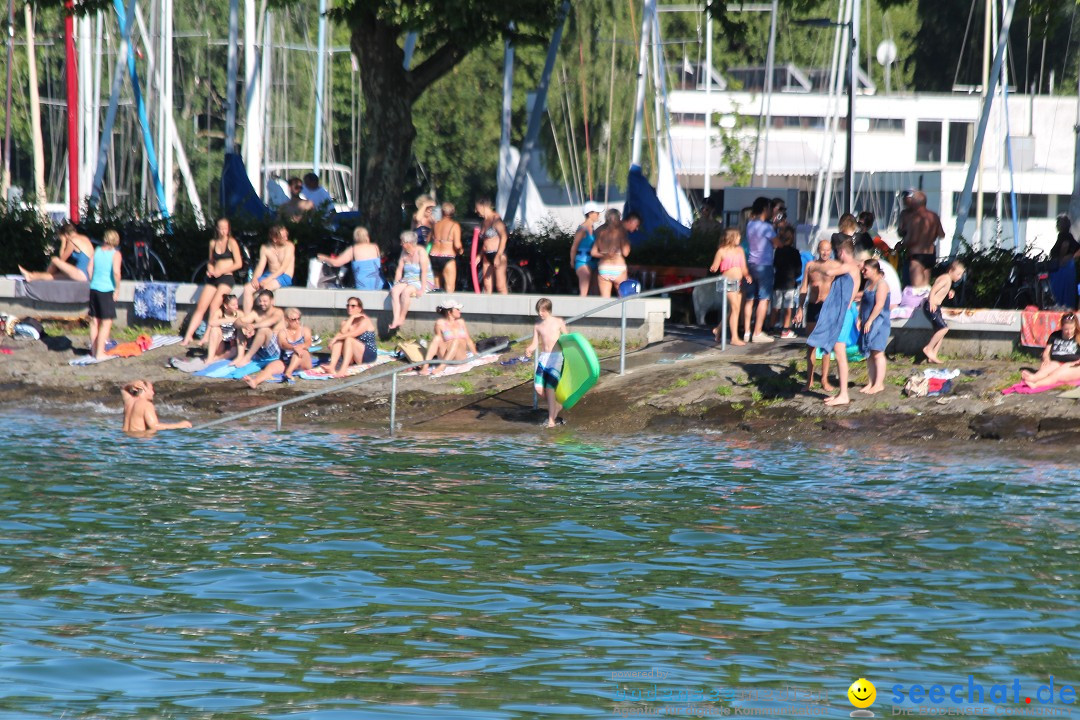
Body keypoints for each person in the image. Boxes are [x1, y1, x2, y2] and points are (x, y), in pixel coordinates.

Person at [805, 236, 861, 406]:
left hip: (845, 313)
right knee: (839, 351)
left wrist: (815, 267)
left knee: (840, 351)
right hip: (845, 312)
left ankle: (843, 394)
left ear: (842, 252)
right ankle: (842, 392)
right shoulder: (854, 266)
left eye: (837, 252)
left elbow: (829, 272)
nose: (836, 256)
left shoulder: (849, 266)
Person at [181, 217, 242, 346]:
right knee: (201, 306)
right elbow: (211, 261)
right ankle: (188, 336)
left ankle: (207, 335)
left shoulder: (231, 242)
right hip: (214, 277)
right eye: (221, 228)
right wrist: (210, 269)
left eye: (226, 228)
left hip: (226, 277)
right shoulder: (213, 243)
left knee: (214, 305)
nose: (223, 231)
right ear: (217, 229)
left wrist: (222, 271)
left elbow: (239, 263)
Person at [795, 237, 834, 391]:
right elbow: (804, 288)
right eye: (822, 249)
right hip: (813, 306)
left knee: (826, 346)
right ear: (818, 250)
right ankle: (809, 380)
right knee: (811, 345)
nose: (825, 252)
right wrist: (799, 308)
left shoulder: (834, 267)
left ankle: (824, 380)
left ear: (831, 251)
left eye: (828, 250)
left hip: (828, 307)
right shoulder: (811, 266)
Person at [524, 297, 570, 428]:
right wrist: (529, 349)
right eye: (538, 311)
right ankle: (556, 406)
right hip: (544, 358)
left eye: (542, 310)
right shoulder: (538, 325)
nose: (540, 313)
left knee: (549, 388)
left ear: (548, 310)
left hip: (556, 357)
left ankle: (551, 420)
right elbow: (534, 344)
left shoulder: (558, 322)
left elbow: (567, 338)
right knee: (539, 388)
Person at [244, 308, 313, 387]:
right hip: (287, 361)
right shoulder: (283, 332)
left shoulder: (304, 329)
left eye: (298, 319)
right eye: (294, 319)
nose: (297, 322)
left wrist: (300, 347)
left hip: (303, 360)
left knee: (300, 352)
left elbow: (308, 342)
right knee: (270, 367)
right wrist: (293, 347)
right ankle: (255, 381)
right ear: (287, 320)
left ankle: (288, 372)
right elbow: (283, 344)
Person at [708, 227, 751, 346]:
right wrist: (713, 268)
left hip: (738, 282)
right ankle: (734, 337)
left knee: (732, 310)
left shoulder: (740, 250)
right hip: (727, 282)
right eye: (738, 237)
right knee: (736, 308)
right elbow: (715, 266)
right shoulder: (721, 251)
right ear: (731, 238)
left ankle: (718, 329)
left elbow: (743, 267)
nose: (740, 239)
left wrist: (747, 275)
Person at [742, 196, 776, 343]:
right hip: (765, 264)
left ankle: (746, 331)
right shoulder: (767, 227)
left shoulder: (750, 224)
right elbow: (778, 243)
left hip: (751, 263)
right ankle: (757, 332)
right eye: (769, 208)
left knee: (749, 299)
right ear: (764, 208)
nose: (770, 211)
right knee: (763, 299)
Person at [86, 228, 122, 360]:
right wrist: (117, 289)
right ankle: (100, 353)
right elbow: (116, 273)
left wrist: (93, 279)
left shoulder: (97, 251)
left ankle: (94, 351)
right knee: (106, 323)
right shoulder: (115, 254)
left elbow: (89, 268)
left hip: (94, 288)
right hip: (106, 290)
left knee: (94, 321)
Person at [388, 230, 435, 330]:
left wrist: (422, 289)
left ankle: (402, 317)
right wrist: (396, 283)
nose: (401, 244)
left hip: (423, 280)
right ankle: (395, 318)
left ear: (408, 243)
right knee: (394, 291)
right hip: (408, 279)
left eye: (402, 242)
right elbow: (399, 270)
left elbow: (424, 272)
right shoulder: (403, 253)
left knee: (406, 292)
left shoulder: (421, 252)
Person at [897, 190, 944, 288]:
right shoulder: (934, 216)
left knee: (916, 289)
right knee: (925, 288)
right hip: (930, 254)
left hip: (916, 254)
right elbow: (942, 234)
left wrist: (902, 245)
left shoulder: (913, 217)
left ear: (914, 202)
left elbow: (911, 238)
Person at [243, 224, 295, 313]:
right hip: (269, 274)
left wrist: (267, 280)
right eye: (283, 237)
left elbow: (283, 268)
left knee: (266, 289)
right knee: (247, 288)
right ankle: (246, 319)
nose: (286, 238)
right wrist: (255, 278)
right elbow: (260, 266)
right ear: (275, 239)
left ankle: (261, 317)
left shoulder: (289, 246)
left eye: (286, 235)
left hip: (284, 275)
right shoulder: (265, 248)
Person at [921, 260, 965, 364]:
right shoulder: (946, 278)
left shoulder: (947, 279)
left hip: (936, 306)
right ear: (951, 271)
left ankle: (933, 355)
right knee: (944, 328)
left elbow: (941, 288)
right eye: (958, 274)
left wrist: (950, 291)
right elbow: (934, 289)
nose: (959, 277)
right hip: (932, 306)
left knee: (939, 332)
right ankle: (928, 349)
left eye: (961, 275)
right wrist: (931, 301)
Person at [19, 222, 95, 282]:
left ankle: (43, 274)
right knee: (54, 276)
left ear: (65, 235)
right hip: (87, 275)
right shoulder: (84, 238)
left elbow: (62, 259)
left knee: (54, 260)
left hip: (81, 273)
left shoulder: (73, 241)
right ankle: (31, 276)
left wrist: (63, 243)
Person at [858, 259, 891, 395]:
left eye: (866, 269)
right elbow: (863, 303)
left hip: (879, 323)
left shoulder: (881, 284)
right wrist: (860, 318)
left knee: (878, 352)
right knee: (869, 353)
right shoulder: (867, 283)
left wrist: (870, 320)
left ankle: (879, 384)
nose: (863, 272)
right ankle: (871, 382)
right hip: (867, 322)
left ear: (875, 270)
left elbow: (879, 305)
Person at [1021, 312, 1080, 387]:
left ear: (1076, 326)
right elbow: (1046, 352)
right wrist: (1046, 359)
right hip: (1056, 362)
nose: (1069, 332)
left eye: (1072, 329)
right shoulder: (1055, 335)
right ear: (1062, 327)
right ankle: (1033, 378)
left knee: (1056, 374)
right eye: (1066, 329)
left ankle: (1036, 384)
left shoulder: (1078, 337)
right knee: (1046, 370)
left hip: (1073, 364)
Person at [420, 299, 478, 376]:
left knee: (456, 340)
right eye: (457, 309)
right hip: (446, 355)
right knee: (437, 338)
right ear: (449, 312)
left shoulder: (460, 322)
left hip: (459, 357)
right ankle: (425, 366)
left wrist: (476, 354)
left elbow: (468, 340)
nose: (459, 311)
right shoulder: (440, 323)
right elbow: (438, 344)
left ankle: (441, 367)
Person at [317, 226, 385, 291]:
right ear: (367, 236)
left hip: (363, 286)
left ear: (355, 237)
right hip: (379, 284)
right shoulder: (375, 247)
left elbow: (336, 263)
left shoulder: (353, 249)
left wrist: (324, 258)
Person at [231, 289, 285, 367]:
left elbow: (270, 322)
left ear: (272, 301)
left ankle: (247, 358)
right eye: (260, 301)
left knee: (264, 330)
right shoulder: (256, 313)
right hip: (260, 349)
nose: (262, 303)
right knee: (241, 327)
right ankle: (240, 356)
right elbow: (237, 322)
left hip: (275, 350)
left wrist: (252, 326)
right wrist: (245, 326)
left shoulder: (278, 312)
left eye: (265, 301)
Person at [326, 297, 378, 376]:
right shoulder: (345, 322)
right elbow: (342, 332)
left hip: (367, 354)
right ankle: (332, 366)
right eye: (348, 305)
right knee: (340, 340)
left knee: (348, 339)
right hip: (352, 355)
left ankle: (343, 369)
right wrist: (352, 317)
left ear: (359, 308)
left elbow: (355, 333)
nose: (349, 308)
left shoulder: (365, 321)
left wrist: (336, 338)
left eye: (353, 306)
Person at [122, 380, 191, 433]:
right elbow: (154, 426)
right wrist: (179, 425)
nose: (153, 392)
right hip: (139, 440)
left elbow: (123, 389)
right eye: (151, 389)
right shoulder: (146, 404)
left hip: (126, 438)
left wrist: (132, 384)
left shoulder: (128, 401)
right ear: (143, 389)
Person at [771, 225, 802, 339]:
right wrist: (796, 276)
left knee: (776, 306)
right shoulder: (795, 252)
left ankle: (771, 327)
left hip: (778, 281)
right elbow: (798, 268)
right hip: (790, 282)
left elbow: (775, 265)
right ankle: (785, 329)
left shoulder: (778, 251)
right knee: (788, 306)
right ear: (792, 237)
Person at [592, 208, 631, 297]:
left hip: (604, 267)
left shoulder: (600, 232)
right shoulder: (621, 232)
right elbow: (625, 253)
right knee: (622, 299)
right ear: (618, 218)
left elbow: (593, 252)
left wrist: (606, 255)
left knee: (605, 301)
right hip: (618, 266)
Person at [475, 196, 508, 294]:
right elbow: (485, 241)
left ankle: (506, 306)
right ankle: (486, 308)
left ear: (483, 206)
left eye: (477, 208)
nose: (476, 211)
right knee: (487, 285)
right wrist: (480, 255)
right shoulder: (484, 222)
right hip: (486, 255)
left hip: (497, 253)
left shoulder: (495, 219)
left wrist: (498, 255)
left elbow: (504, 237)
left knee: (500, 285)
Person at [570, 201, 602, 296]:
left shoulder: (593, 228)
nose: (599, 215)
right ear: (590, 213)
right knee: (584, 291)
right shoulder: (582, 230)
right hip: (582, 262)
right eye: (597, 213)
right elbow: (574, 246)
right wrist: (572, 261)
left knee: (594, 291)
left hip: (593, 261)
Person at [429, 202, 463, 291]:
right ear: (453, 212)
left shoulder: (436, 225)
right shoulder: (455, 225)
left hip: (434, 256)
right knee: (450, 287)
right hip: (447, 256)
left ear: (442, 212)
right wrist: (461, 251)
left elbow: (428, 241)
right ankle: (449, 304)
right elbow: (457, 244)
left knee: (436, 287)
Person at [1049, 215, 1079, 309]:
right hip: (1068, 267)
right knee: (1067, 291)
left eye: (1058, 223)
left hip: (1062, 269)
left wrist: (1062, 258)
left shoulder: (1064, 236)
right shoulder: (1068, 236)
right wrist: (1072, 257)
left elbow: (1065, 245)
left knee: (1060, 291)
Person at [203, 293, 241, 365]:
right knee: (214, 329)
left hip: (232, 344)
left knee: (235, 351)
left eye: (237, 304)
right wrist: (231, 320)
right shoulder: (220, 312)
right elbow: (211, 322)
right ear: (226, 306)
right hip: (221, 343)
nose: (236, 306)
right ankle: (210, 357)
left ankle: (216, 359)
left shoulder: (239, 313)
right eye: (233, 305)